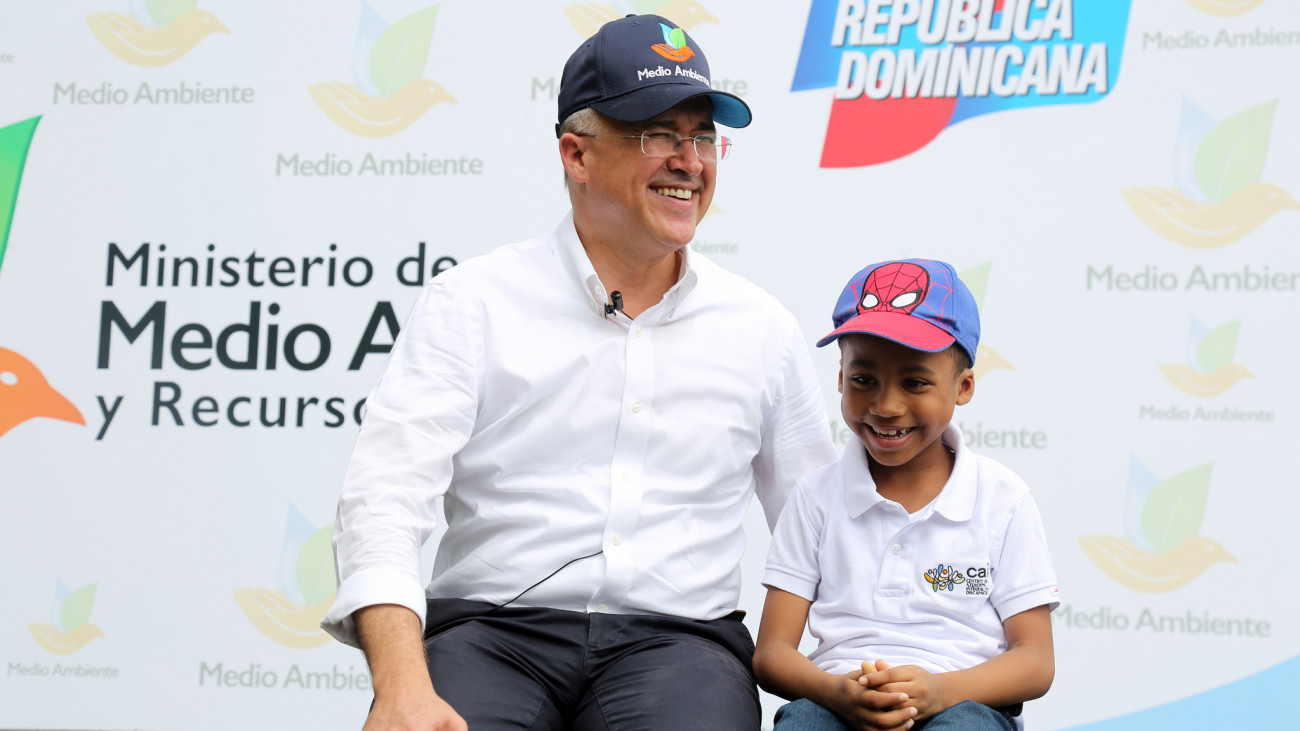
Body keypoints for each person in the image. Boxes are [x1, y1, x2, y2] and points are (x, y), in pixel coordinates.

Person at [322, 14, 837, 731]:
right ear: (576, 154)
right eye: (659, 134)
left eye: (702, 137)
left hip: (682, 643)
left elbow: (825, 533)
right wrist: (401, 686)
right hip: (491, 634)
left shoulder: (762, 330)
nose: (689, 161)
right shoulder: (472, 302)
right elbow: (382, 499)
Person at [753, 259, 1059, 731]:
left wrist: (939, 691)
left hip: (962, 704)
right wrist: (838, 692)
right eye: (863, 380)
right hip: (835, 701)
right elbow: (772, 652)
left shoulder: (1003, 500)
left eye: (915, 382)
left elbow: (1036, 661)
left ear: (964, 386)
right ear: (839, 377)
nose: (886, 405)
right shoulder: (816, 497)